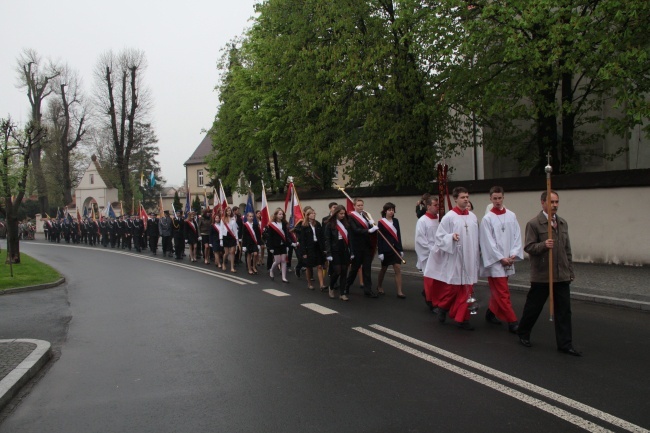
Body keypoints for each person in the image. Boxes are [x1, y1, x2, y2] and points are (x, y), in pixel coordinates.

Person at [517, 191, 580, 356]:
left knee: (564, 311)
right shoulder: (534, 224)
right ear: (543, 203)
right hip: (542, 275)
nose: (555, 205)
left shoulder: (562, 223)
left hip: (561, 275)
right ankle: (523, 332)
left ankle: (565, 344)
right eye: (551, 202)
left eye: (557, 202)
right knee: (534, 307)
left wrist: (570, 271)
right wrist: (544, 245)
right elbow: (529, 247)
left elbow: (567, 250)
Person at [425, 187, 479, 330]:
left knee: (468, 290)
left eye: (467, 196)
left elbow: (476, 238)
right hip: (456, 258)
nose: (466, 199)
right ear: (455, 199)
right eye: (462, 197)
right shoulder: (449, 217)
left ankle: (462, 320)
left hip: (469, 259)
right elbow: (440, 237)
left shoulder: (473, 217)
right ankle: (443, 308)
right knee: (453, 290)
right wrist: (451, 237)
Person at [479, 186, 523, 333]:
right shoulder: (487, 219)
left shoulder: (511, 215)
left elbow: (517, 236)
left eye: (500, 198)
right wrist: (501, 258)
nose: (497, 201)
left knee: (499, 291)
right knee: (503, 293)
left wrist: (513, 254)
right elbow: (488, 242)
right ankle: (512, 322)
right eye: (495, 198)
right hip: (496, 262)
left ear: (503, 197)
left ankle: (491, 313)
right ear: (490, 199)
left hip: (508, 259)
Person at [345, 198, 379, 298]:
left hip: (366, 246)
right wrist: (369, 230)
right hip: (357, 247)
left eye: (362, 205)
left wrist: (371, 223)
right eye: (358, 205)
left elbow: (368, 226)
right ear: (354, 206)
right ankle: (346, 286)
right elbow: (355, 230)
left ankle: (368, 290)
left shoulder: (365, 215)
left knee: (367, 269)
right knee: (355, 269)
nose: (360, 207)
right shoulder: (351, 217)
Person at [323, 205, 354, 300]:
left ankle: (342, 293)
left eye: (344, 213)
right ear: (336, 213)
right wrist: (328, 253)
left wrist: (352, 252)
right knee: (337, 271)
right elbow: (327, 240)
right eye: (341, 213)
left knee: (344, 271)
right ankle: (331, 286)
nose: (342, 215)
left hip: (344, 249)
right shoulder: (330, 224)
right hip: (334, 250)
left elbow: (350, 239)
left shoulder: (346, 224)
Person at [376, 202, 406, 298]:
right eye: (389, 210)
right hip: (386, 249)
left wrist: (400, 249)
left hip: (395, 248)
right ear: (385, 211)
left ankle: (399, 291)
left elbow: (398, 235)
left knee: (397, 268)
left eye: (392, 210)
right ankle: (379, 286)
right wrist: (380, 252)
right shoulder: (381, 222)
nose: (391, 212)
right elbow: (379, 238)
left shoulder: (396, 221)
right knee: (384, 269)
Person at [416, 197, 440, 310]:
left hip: (440, 253)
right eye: (435, 205)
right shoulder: (422, 221)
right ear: (428, 206)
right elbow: (420, 240)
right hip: (429, 254)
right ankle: (431, 302)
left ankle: (436, 298)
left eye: (438, 205)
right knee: (431, 279)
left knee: (440, 280)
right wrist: (432, 250)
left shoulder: (441, 219)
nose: (438, 207)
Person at [299, 208, 326, 290]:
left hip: (317, 246)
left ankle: (322, 284)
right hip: (309, 248)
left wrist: (324, 248)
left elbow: (321, 236)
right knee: (309, 266)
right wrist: (304, 252)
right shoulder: (304, 226)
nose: (313, 214)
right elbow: (302, 240)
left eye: (314, 213)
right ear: (307, 215)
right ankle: (309, 283)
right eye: (312, 213)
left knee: (319, 266)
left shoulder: (317, 224)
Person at [266, 208, 291, 282]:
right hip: (275, 244)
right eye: (279, 214)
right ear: (276, 215)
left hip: (283, 244)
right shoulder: (272, 224)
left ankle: (284, 277)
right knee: (277, 261)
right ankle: (271, 270)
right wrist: (271, 247)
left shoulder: (284, 224)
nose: (281, 215)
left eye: (282, 214)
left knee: (283, 260)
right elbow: (270, 236)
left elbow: (286, 235)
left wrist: (287, 245)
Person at [222, 207, 239, 272]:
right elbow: (221, 229)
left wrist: (236, 238)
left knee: (232, 252)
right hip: (225, 236)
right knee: (226, 253)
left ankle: (232, 267)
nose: (229, 212)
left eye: (229, 211)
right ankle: (223, 263)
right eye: (227, 211)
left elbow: (235, 229)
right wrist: (221, 239)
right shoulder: (223, 219)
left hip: (232, 236)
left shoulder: (233, 218)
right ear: (225, 212)